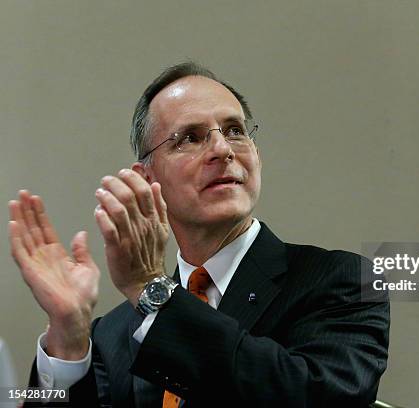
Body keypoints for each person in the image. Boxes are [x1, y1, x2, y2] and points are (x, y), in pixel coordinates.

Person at [8, 62, 390, 407]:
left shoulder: (341, 282)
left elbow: (316, 398)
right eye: (189, 138)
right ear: (147, 179)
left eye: (235, 131)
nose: (222, 149)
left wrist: (152, 291)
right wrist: (68, 338)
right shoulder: (112, 334)